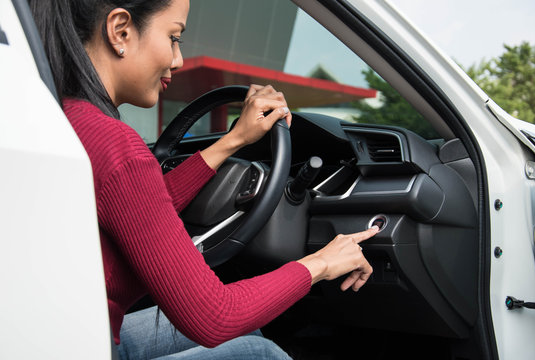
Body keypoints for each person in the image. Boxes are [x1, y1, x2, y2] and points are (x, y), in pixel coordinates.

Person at [29, 0, 379, 358]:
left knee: (251, 328)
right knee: (260, 353)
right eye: (174, 37)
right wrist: (321, 263)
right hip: (86, 345)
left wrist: (234, 141)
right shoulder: (114, 142)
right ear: (120, 30)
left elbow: (139, 206)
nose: (178, 59)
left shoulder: (63, 119)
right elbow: (214, 318)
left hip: (58, 336)